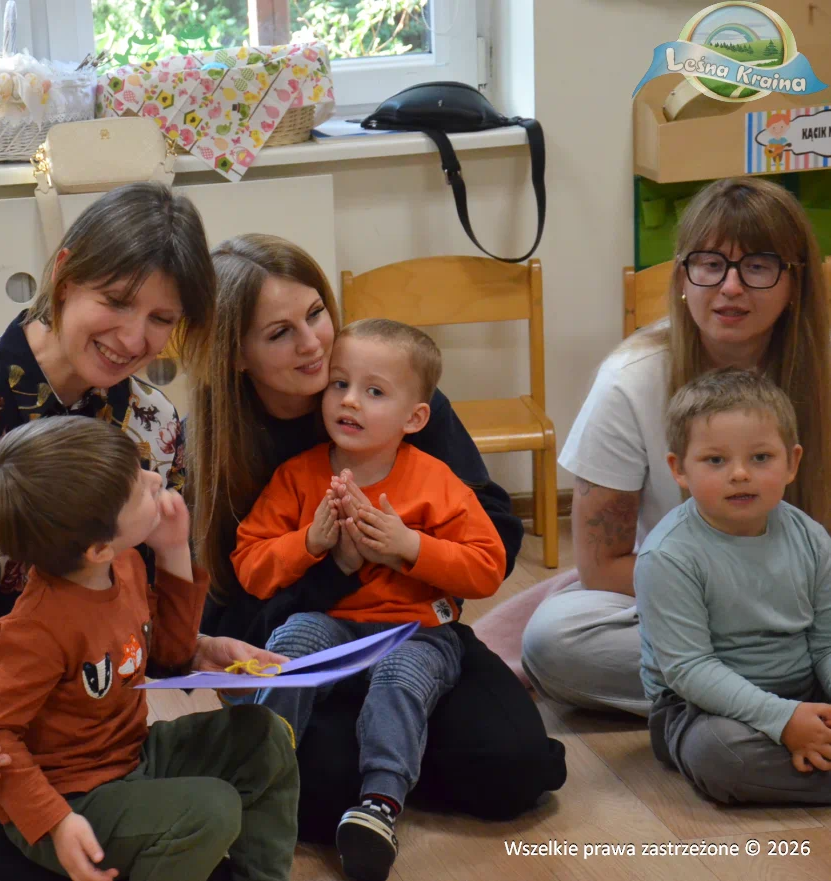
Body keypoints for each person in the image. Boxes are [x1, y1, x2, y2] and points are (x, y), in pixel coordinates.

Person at [0, 183, 285, 881]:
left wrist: (198, 648)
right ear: (66, 274)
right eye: (116, 301)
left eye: (161, 318)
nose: (133, 338)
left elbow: (124, 613)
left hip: (82, 751)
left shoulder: (154, 425)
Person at [190, 234, 567, 842]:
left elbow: (491, 544)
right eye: (280, 333)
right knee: (318, 785)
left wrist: (406, 547)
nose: (312, 343)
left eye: (316, 313)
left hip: (414, 631)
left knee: (513, 767)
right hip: (299, 639)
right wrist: (330, 562)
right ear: (236, 355)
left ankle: (389, 773)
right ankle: (377, 772)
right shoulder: (222, 442)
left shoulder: (398, 395)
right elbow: (233, 600)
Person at [495, 176, 831, 717]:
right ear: (681, 277)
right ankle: (773, 690)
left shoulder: (822, 371)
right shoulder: (630, 378)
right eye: (710, 264)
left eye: (759, 266)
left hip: (811, 608)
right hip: (682, 604)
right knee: (555, 640)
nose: (730, 287)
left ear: (796, 282)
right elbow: (601, 568)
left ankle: (734, 695)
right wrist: (734, 597)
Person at [0, 416, 298, 881]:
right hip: (69, 802)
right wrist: (56, 822)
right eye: (138, 487)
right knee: (211, 809)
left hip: (131, 756)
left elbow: (171, 654)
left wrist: (173, 550)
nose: (155, 479)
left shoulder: (123, 565)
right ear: (98, 548)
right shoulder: (34, 631)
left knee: (265, 737)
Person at [232, 319, 505, 880]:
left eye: (374, 391)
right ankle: (257, 776)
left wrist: (411, 547)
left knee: (400, 679)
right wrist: (310, 542)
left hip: (416, 631)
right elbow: (249, 565)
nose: (350, 401)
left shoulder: (436, 481)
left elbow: (487, 567)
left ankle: (379, 805)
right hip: (332, 622)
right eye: (339, 384)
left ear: (416, 418)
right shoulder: (298, 476)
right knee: (293, 641)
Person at [638, 367, 831, 804]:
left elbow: (825, 645)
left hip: (803, 691)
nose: (740, 474)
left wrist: (801, 713)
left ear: (792, 463)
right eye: (715, 460)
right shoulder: (667, 556)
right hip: (701, 709)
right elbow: (690, 669)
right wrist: (783, 720)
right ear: (679, 469)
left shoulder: (811, 537)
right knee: (721, 756)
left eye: (760, 458)